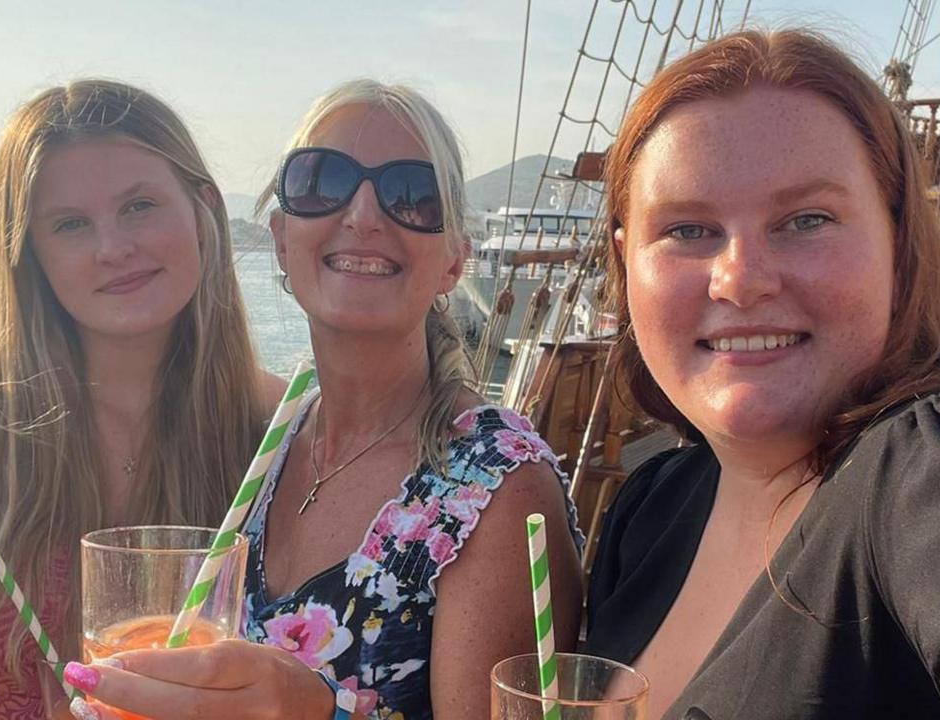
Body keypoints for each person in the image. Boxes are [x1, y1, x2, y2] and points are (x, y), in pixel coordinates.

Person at [584, 29, 940, 720]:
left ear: (899, 243)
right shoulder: (652, 505)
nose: (741, 280)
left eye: (806, 219)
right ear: (626, 259)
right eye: (687, 230)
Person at [64, 80, 584, 720]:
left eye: (411, 195)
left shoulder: (497, 486)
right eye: (322, 181)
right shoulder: (275, 435)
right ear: (283, 238)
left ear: (454, 260)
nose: (363, 215)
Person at [0, 79, 286, 720]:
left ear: (203, 210)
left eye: (140, 206)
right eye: (70, 224)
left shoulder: (279, 432)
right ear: (30, 252)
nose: (113, 247)